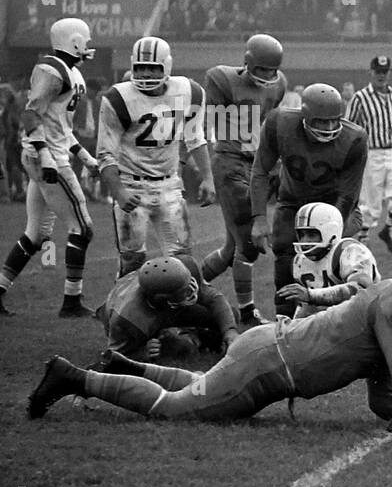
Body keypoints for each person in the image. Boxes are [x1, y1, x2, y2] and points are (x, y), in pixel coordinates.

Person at [29, 253, 392, 431]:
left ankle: (131, 367)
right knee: (173, 408)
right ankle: (73, 377)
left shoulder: (391, 295)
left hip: (266, 351)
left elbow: (384, 398)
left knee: (198, 385)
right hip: (265, 365)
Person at [0, 18, 98, 318]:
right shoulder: (53, 70)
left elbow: (61, 129)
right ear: (75, 40)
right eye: (86, 38)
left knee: (36, 234)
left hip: (48, 154)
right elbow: (31, 115)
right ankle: (71, 302)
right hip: (47, 160)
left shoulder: (72, 73)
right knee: (82, 228)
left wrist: (85, 157)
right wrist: (45, 157)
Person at [97, 36, 216, 277]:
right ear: (132, 66)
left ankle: (181, 311)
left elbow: (195, 138)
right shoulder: (118, 97)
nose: (147, 74)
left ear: (167, 66)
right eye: (141, 68)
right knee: (132, 261)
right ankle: (125, 312)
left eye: (153, 68)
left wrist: (207, 178)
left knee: (183, 259)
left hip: (169, 185)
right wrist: (119, 191)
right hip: (132, 184)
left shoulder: (189, 91)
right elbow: (105, 153)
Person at [250, 83, 368, 317]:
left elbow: (348, 194)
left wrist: (331, 230)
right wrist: (259, 219)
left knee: (335, 256)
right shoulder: (279, 124)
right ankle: (283, 319)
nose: (329, 127)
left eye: (335, 120)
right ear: (305, 117)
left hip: (335, 206)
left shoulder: (354, 138)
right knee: (284, 250)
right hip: (293, 201)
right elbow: (261, 171)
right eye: (322, 121)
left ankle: (342, 317)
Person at [200, 33, 287, 326]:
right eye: (260, 69)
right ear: (248, 63)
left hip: (257, 164)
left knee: (230, 251)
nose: (266, 75)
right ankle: (247, 312)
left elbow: (270, 124)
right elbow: (214, 123)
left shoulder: (280, 84)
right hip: (230, 163)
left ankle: (187, 292)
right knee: (247, 245)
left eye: (270, 70)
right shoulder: (221, 80)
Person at [97, 254, 238, 361]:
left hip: (165, 308)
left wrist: (230, 331)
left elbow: (213, 297)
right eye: (184, 290)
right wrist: (141, 352)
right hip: (141, 318)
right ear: (163, 298)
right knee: (181, 347)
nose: (192, 290)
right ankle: (182, 336)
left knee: (229, 316)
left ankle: (199, 336)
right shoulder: (129, 318)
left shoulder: (183, 265)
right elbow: (112, 357)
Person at [348, 55, 392, 254]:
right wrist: (350, 154)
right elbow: (349, 125)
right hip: (372, 153)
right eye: (378, 72)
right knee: (371, 204)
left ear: (389, 73)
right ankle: (363, 239)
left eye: (384, 72)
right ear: (371, 72)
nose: (381, 76)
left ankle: (389, 228)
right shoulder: (360, 98)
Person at [275, 202, 379, 319]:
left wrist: (311, 295)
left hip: (367, 320)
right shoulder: (300, 261)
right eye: (302, 234)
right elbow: (308, 307)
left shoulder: (349, 251)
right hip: (334, 324)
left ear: (330, 231)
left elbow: (361, 290)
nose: (305, 240)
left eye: (311, 234)